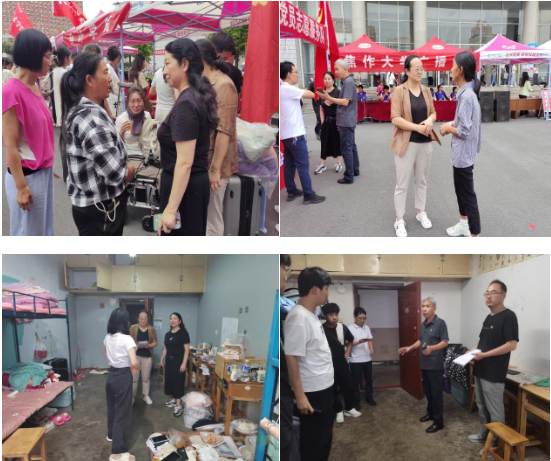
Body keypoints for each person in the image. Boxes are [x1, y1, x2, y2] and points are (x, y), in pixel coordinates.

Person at [60, 52, 135, 236]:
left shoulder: (81, 110)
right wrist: (130, 170)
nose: (110, 78)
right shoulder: (91, 118)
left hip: (90, 207)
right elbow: (115, 173)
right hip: (101, 210)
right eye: (105, 72)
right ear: (89, 80)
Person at [157, 38, 218, 235]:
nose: (164, 71)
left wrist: (170, 210)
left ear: (184, 64)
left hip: (184, 190)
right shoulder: (192, 97)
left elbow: (184, 163)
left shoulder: (186, 104)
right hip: (190, 187)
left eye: (167, 63)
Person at [3, 29, 55, 236]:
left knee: (44, 232)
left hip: (43, 172)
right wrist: (21, 187)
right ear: (33, 55)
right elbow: (10, 145)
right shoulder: (11, 91)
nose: (50, 61)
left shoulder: (35, 85)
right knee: (28, 236)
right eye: (47, 56)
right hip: (27, 178)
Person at [284, 267, 334, 461]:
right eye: (326, 289)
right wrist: (300, 396)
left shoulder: (311, 315)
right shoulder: (298, 317)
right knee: (314, 443)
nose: (327, 293)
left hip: (324, 387)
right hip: (312, 393)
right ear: (315, 290)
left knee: (324, 438)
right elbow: (291, 357)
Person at [390, 55, 439, 237]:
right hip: (406, 143)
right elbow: (395, 118)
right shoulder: (399, 91)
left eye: (421, 67)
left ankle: (420, 212)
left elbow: (433, 113)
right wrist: (417, 127)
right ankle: (399, 219)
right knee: (402, 183)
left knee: (422, 180)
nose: (420, 71)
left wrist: (429, 120)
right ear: (407, 71)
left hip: (425, 142)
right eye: (416, 68)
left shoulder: (426, 90)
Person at [467, 280, 519, 446]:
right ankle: (485, 435)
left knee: (495, 411)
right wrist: (472, 353)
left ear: (503, 295)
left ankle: (497, 446)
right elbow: (482, 342)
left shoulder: (509, 316)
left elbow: (511, 345)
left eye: (493, 292)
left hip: (494, 373)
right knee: (482, 406)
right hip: (480, 370)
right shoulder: (488, 317)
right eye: (487, 293)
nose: (488, 296)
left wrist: (484, 355)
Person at [196, 39, 238, 236]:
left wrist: (215, 170)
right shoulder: (203, 83)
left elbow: (224, 131)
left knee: (212, 219)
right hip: (203, 159)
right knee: (203, 215)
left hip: (216, 163)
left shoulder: (224, 85)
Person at [440, 51, 482, 237]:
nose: (450, 69)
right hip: (464, 153)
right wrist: (450, 124)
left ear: (461, 70)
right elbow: (464, 123)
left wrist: (448, 128)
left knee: (466, 194)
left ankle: (474, 233)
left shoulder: (466, 96)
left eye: (453, 65)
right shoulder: (467, 93)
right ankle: (464, 223)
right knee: (461, 191)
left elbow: (464, 131)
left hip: (463, 154)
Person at [399, 297, 449, 433]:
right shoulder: (423, 324)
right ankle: (431, 414)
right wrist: (409, 348)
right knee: (428, 393)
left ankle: (438, 422)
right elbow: (420, 341)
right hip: (425, 365)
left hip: (435, 366)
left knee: (436, 394)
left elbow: (445, 342)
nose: (424, 309)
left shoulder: (440, 323)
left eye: (428, 306)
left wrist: (432, 348)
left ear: (434, 308)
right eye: (423, 306)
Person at [280, 61, 325, 204]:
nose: (297, 74)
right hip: (295, 134)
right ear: (288, 74)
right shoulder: (288, 88)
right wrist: (314, 86)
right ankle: (308, 195)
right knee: (302, 164)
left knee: (290, 164)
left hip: (287, 134)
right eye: (295, 72)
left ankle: (291, 190)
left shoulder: (282, 88)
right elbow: (310, 94)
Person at [104, 308, 138, 461]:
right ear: (124, 322)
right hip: (123, 376)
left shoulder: (107, 337)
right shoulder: (127, 339)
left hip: (111, 375)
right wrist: (136, 370)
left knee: (112, 407)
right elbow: (134, 362)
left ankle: (111, 435)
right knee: (122, 412)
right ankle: (118, 450)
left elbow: (106, 354)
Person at [318, 59, 359, 185]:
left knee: (346, 148)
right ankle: (354, 170)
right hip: (347, 119)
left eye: (337, 69)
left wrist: (329, 98)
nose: (335, 72)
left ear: (345, 69)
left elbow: (345, 102)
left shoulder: (348, 82)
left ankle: (349, 175)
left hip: (345, 120)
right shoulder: (347, 82)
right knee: (351, 146)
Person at [321, 302, 362, 424]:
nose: (334, 317)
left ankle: (349, 408)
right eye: (331, 315)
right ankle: (338, 410)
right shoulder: (321, 329)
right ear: (325, 316)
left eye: (336, 314)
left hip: (342, 362)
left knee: (348, 386)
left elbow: (351, 340)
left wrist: (348, 352)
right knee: (333, 388)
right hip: (328, 363)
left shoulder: (342, 327)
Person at [280, 255, 299, 461]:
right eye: (285, 269)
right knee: (284, 436)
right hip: (285, 385)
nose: (286, 274)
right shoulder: (281, 304)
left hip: (287, 384)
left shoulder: (286, 306)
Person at [160, 313, 190, 417]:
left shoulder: (183, 333)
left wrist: (184, 363)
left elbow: (187, 350)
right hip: (169, 362)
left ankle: (179, 405)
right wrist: (162, 359)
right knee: (170, 381)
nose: (172, 320)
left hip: (179, 362)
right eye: (171, 318)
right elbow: (165, 348)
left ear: (179, 321)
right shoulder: (167, 334)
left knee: (178, 382)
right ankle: (174, 400)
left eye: (175, 318)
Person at [314, 72, 343, 175]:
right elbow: (321, 108)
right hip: (326, 122)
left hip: (336, 121)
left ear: (333, 80)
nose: (326, 80)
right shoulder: (322, 93)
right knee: (324, 143)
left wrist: (325, 97)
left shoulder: (337, 92)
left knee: (337, 142)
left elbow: (332, 103)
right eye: (325, 79)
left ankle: (339, 163)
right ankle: (322, 164)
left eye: (329, 78)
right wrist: (322, 122)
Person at [115, 86, 157, 156]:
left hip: (145, 156)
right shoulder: (121, 119)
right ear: (128, 103)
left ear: (143, 101)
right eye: (132, 101)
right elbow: (116, 145)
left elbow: (151, 140)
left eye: (139, 100)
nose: (136, 105)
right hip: (129, 157)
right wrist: (121, 134)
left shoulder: (147, 115)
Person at [348, 307, 377, 407]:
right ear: (355, 317)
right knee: (355, 382)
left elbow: (369, 340)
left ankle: (370, 397)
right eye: (360, 318)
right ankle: (356, 402)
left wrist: (371, 348)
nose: (362, 320)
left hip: (367, 359)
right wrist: (358, 342)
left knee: (369, 380)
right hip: (355, 360)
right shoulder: (350, 328)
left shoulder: (367, 327)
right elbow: (348, 343)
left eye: (364, 318)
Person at [130, 311, 158, 405]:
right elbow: (128, 341)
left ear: (147, 319)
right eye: (141, 318)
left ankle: (145, 395)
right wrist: (135, 345)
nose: (143, 320)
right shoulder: (133, 328)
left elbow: (155, 342)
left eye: (145, 318)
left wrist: (149, 345)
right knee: (134, 379)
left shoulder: (151, 329)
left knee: (146, 378)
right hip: (135, 357)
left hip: (147, 357)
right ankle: (132, 397)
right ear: (138, 319)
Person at [106, 46, 130, 118]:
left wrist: (127, 85)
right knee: (115, 117)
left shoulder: (114, 68)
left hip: (117, 98)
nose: (119, 60)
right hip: (112, 99)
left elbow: (117, 83)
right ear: (117, 58)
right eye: (119, 58)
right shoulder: (108, 68)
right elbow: (112, 85)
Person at [51, 46, 72, 127]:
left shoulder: (55, 71)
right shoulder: (64, 73)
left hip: (59, 110)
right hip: (65, 110)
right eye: (70, 57)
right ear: (66, 58)